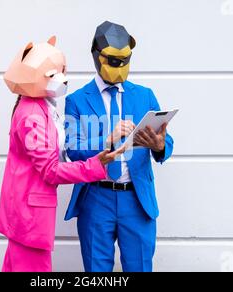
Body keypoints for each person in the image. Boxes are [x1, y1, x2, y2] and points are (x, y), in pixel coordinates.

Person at [0, 36, 124, 272]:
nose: (62, 79)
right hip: (29, 216)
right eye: (53, 74)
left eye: (62, 71)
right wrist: (96, 165)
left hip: (25, 214)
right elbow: (51, 170)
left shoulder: (41, 106)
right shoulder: (32, 116)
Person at [64, 21, 174, 272]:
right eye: (114, 61)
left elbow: (166, 141)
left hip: (136, 199)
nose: (120, 67)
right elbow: (72, 148)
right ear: (97, 56)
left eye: (126, 60)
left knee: (140, 267)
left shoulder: (145, 95)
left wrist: (159, 145)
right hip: (96, 197)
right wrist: (106, 141)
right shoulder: (77, 100)